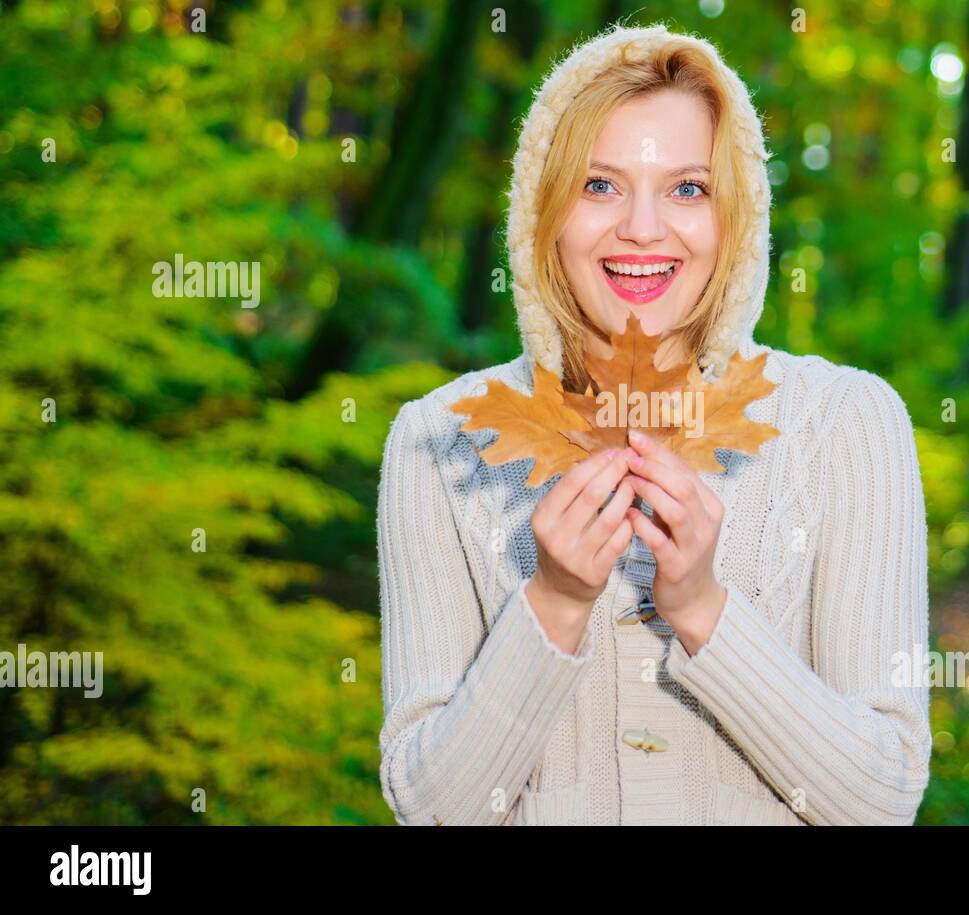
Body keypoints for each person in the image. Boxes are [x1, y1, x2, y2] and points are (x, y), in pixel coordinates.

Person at [377, 23, 931, 826]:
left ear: (734, 215)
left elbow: (880, 800)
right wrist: (555, 603)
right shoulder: (439, 440)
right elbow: (429, 809)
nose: (642, 228)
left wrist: (704, 607)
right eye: (599, 185)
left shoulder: (847, 423)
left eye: (688, 188)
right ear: (543, 210)